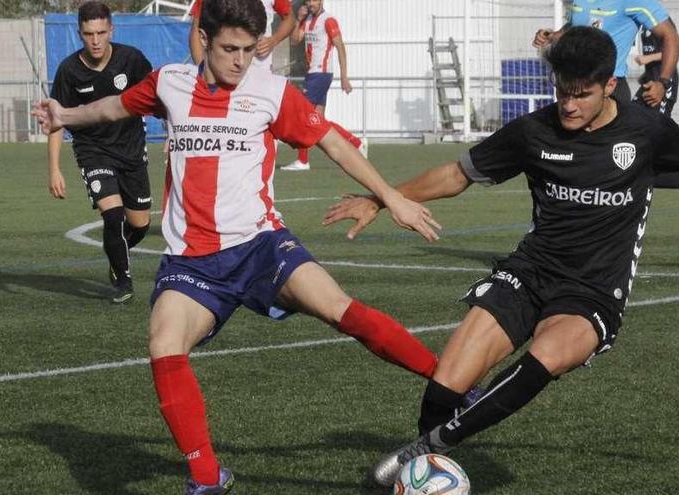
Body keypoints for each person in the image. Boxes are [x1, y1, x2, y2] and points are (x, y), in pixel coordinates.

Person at [323, 26, 679, 488]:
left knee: (545, 356)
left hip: (594, 290)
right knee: (445, 383)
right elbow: (457, 174)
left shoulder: (647, 131)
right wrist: (382, 198)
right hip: (530, 273)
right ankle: (429, 454)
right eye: (562, 92)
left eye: (582, 95)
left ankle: (426, 451)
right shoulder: (533, 131)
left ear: (610, 85)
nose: (568, 105)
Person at [33, 1, 452, 493]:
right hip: (194, 262)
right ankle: (208, 480)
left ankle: (455, 386)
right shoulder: (170, 82)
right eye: (230, 49)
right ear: (205, 42)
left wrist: (392, 198)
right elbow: (111, 107)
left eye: (250, 50)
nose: (240, 61)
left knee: (341, 309)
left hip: (260, 246)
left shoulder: (271, 92)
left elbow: (333, 143)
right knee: (163, 343)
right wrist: (66, 114)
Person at [533, 0, 679, 230]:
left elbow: (672, 38)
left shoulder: (635, 2)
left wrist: (662, 82)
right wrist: (552, 36)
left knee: (625, 167)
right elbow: (575, 29)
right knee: (580, 161)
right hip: (576, 89)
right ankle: (558, 227)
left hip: (608, 92)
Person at [47, 1, 154, 304]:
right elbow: (56, 121)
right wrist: (54, 169)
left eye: (100, 32)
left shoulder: (132, 60)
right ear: (79, 33)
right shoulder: (69, 71)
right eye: (88, 33)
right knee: (114, 216)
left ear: (111, 30)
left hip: (131, 151)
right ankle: (124, 282)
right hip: (93, 151)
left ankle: (116, 254)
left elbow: (157, 96)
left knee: (140, 225)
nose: (95, 40)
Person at [281, 0, 366, 171]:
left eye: (314, 0)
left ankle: (303, 161)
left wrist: (344, 76)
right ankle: (356, 143)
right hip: (313, 74)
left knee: (303, 115)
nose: (310, 4)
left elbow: (340, 46)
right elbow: (295, 40)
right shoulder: (308, 20)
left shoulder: (329, 20)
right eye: (308, 1)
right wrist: (298, 19)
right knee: (318, 119)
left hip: (321, 74)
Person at [189, 0, 295, 70]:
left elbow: (290, 19)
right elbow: (196, 29)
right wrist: (201, 68)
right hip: (221, 71)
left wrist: (273, 41)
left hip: (259, 70)